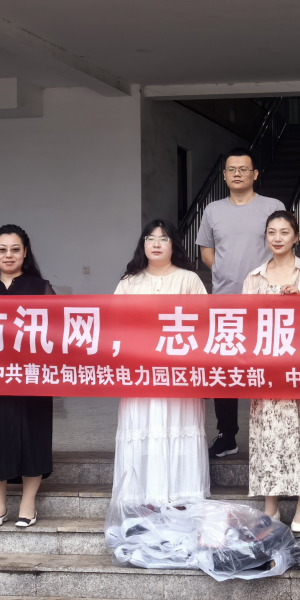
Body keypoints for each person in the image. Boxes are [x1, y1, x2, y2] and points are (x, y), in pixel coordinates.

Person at [110, 220, 211, 522]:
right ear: (142, 244)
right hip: (140, 375)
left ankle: (181, 498)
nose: (156, 244)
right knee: (143, 429)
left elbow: (205, 325)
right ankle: (141, 499)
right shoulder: (129, 283)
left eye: (163, 239)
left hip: (179, 375)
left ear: (173, 245)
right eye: (150, 238)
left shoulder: (189, 280)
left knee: (177, 428)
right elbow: (113, 324)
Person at [196, 147, 286, 461]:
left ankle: (272, 431)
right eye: (231, 169)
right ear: (224, 175)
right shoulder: (212, 210)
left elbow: (282, 245)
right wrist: (223, 272)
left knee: (268, 365)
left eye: (243, 169)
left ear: (255, 174)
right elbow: (206, 251)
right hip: (225, 303)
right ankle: (227, 435)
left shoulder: (272, 206)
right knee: (225, 369)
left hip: (266, 302)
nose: (237, 174)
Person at [243, 210, 300, 533]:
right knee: (265, 437)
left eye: (284, 232)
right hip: (266, 370)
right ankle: (271, 505)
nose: (277, 238)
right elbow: (245, 324)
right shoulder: (254, 278)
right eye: (271, 232)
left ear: (296, 237)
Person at [0, 224, 55, 528]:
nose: (9, 255)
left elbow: (57, 330)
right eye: (2, 249)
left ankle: (28, 504)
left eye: (15, 249)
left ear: (25, 252)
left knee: (33, 436)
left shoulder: (41, 287)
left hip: (31, 376)